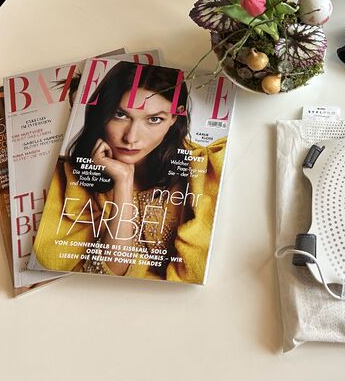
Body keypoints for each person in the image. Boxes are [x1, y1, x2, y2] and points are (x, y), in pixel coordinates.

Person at [33, 60, 227, 283]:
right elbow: (105, 275)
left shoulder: (205, 171)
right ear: (102, 112)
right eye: (120, 115)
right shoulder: (68, 176)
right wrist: (123, 181)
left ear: (174, 118)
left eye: (154, 119)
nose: (131, 138)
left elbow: (197, 274)